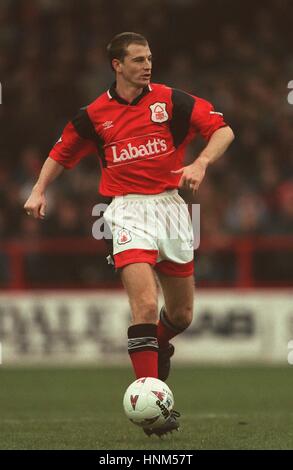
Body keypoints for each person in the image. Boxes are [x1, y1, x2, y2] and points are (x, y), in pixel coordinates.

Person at [24, 32, 234, 436]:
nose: (147, 65)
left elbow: (223, 130)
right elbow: (60, 152)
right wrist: (38, 189)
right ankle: (151, 405)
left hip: (172, 207)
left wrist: (202, 162)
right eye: (138, 60)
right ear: (117, 66)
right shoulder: (94, 114)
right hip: (124, 210)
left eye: (150, 58)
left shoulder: (171, 101)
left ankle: (160, 344)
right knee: (143, 304)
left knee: (181, 315)